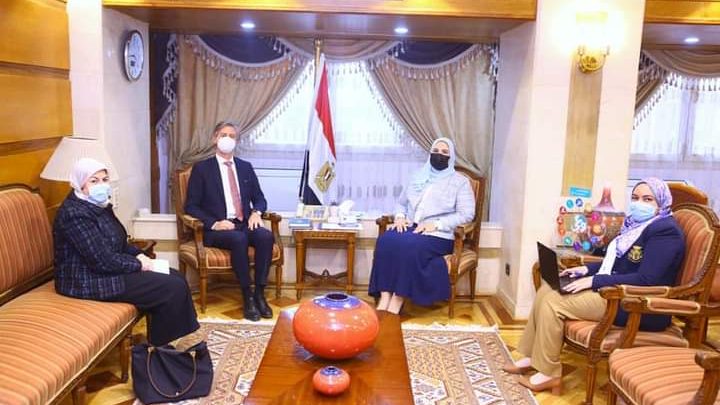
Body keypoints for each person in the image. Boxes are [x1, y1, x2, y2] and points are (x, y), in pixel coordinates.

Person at [504, 177, 685, 394]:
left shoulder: (665, 231)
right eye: (635, 197)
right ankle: (533, 357)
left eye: (648, 199)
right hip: (616, 291)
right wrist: (585, 270)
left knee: (554, 302)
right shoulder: (635, 226)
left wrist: (594, 281)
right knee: (547, 289)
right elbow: (618, 264)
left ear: (662, 203)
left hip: (637, 303)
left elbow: (646, 279)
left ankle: (549, 374)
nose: (639, 203)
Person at [54, 158, 199, 346]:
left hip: (106, 269)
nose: (101, 185)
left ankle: (167, 342)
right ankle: (160, 350)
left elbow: (120, 241)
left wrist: (138, 254)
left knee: (176, 277)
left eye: (105, 179)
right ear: (79, 184)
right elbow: (101, 261)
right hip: (85, 279)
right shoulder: (74, 214)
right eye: (94, 181)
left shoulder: (100, 205)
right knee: (171, 287)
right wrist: (139, 265)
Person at [368, 137, 476, 314]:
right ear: (430, 153)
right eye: (436, 151)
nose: (439, 155)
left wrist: (436, 224)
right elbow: (401, 203)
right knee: (385, 240)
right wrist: (400, 217)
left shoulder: (460, 182)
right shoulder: (417, 176)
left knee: (410, 246)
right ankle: (385, 296)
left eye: (444, 152)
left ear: (451, 157)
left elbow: (466, 214)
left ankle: (397, 299)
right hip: (412, 227)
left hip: (439, 234)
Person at [185, 121, 274, 322]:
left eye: (232, 136)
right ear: (215, 138)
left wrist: (257, 212)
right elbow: (191, 206)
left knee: (265, 237)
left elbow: (260, 198)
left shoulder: (245, 167)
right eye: (223, 135)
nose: (227, 139)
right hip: (217, 228)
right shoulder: (202, 169)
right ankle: (247, 296)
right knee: (238, 239)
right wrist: (215, 223)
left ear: (237, 141)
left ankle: (259, 294)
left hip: (244, 223)